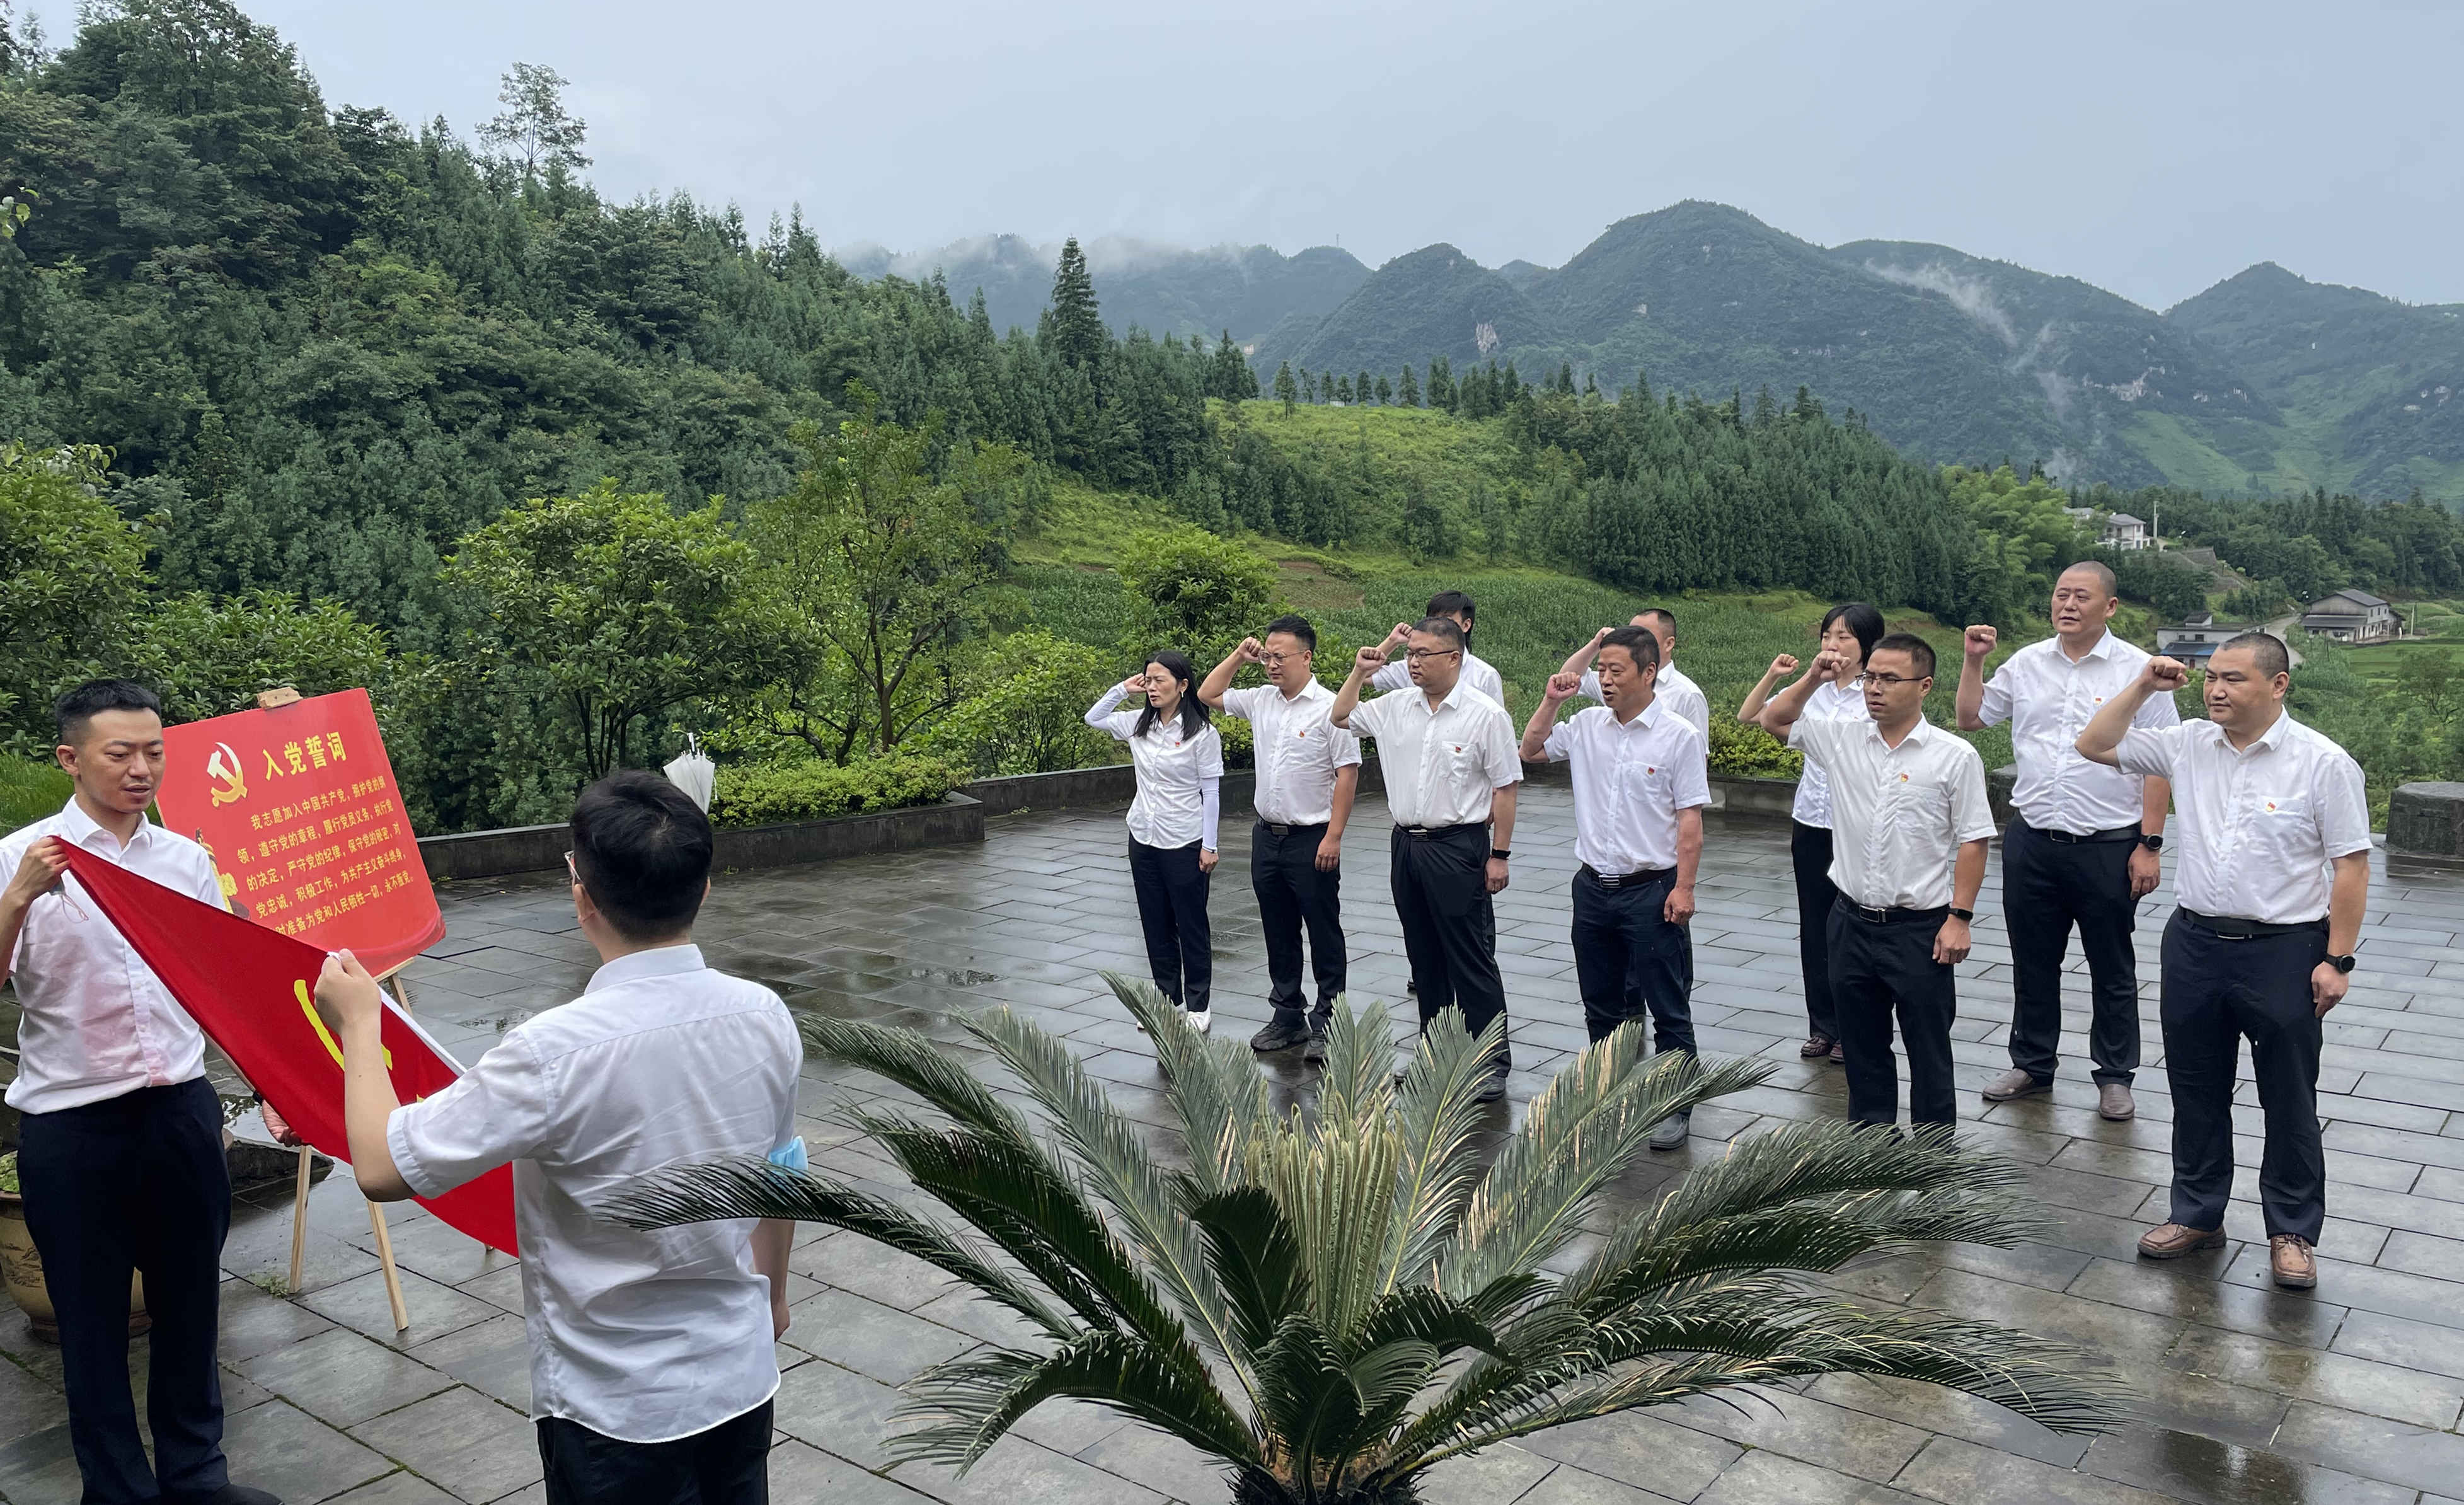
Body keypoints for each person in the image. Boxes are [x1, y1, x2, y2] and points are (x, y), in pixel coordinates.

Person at [318, 771, 802, 1504]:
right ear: (702, 890)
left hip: (612, 1407)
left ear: (583, 897)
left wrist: (360, 1023)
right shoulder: (764, 1015)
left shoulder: (551, 1053)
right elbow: (782, 1171)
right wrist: (773, 1299)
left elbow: (384, 1167)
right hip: (738, 1378)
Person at [0, 681, 280, 1505]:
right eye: (119, 753)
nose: (140, 769)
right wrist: (18, 897)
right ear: (70, 757)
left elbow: (221, 986)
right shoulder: (18, 856)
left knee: (191, 1308)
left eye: (153, 752)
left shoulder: (184, 862)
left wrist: (273, 1083)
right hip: (71, 1127)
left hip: (178, 1114)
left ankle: (197, 1477)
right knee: (89, 1326)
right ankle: (117, 1491)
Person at [2076, 634, 2369, 1291]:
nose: (2215, 690)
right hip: (2195, 944)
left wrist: (2338, 959)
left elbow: (2351, 865)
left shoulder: (2322, 762)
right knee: (2195, 1087)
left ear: (2278, 684)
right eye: (2211, 677)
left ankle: (2292, 1230)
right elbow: (2093, 743)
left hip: (2285, 949)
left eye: (2233, 679)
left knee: (2288, 1094)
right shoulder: (2187, 744)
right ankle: (2197, 1213)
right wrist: (2143, 685)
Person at [1956, 562, 2177, 1121]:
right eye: (2061, 595)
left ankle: (2115, 1075)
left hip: (2109, 844)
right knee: (2033, 961)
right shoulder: (2027, 663)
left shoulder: (2139, 671)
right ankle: (2032, 1063)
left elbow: (2160, 761)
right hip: (2033, 839)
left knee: (2111, 965)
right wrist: (1974, 660)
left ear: (2110, 607)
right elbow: (1971, 718)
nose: (2068, 605)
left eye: (2082, 596)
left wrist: (2150, 843)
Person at [1760, 635, 1993, 1131]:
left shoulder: (1954, 757)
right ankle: (1872, 1148)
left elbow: (1975, 840)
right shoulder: (1842, 739)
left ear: (1924, 685)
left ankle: (1933, 1155)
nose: (1874, 688)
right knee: (1863, 1048)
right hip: (1849, 922)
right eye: (1870, 677)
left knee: (1928, 1049)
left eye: (1889, 679)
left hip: (1920, 929)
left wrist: (1960, 918)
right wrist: (1813, 677)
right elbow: (1773, 719)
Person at [1521, 626, 1710, 1149]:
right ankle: (1610, 1095)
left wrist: (1685, 888)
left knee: (1667, 1004)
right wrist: (1551, 700)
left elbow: (1690, 822)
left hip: (1652, 889)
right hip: (1593, 889)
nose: (1604, 679)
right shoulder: (1586, 726)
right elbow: (1531, 750)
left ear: (1649, 673)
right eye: (1600, 670)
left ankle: (1674, 1103)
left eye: (1615, 670)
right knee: (1601, 1003)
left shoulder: (1678, 736)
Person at [1333, 616, 1522, 1102]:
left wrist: (1499, 855)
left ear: (1454, 658)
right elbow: (1340, 716)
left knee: (1469, 956)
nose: (1413, 662)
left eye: (1423, 654)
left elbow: (1505, 788)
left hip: (1459, 847)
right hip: (1407, 846)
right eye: (1410, 653)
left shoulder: (1485, 715)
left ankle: (1490, 1061)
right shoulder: (1395, 706)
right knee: (1424, 956)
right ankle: (1434, 1053)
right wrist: (1359, 671)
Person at [1200, 616, 1361, 1062]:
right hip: (1267, 837)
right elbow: (1208, 694)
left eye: (1280, 656)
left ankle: (1330, 1021)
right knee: (1278, 927)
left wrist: (1334, 836)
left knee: (1323, 929)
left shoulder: (1330, 708)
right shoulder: (1261, 700)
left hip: (1313, 837)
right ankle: (1288, 1014)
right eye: (1267, 656)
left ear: (1306, 657)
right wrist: (1239, 656)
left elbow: (1348, 774)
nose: (1271, 664)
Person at [1738, 603, 1884, 1063]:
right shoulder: (1813, 691)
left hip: (1857, 826)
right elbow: (1758, 718)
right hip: (1811, 823)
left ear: (1867, 645)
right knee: (1815, 926)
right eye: (1827, 636)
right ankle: (1823, 1025)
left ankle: (1854, 1029)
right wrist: (1805, 678)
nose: (1832, 645)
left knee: (1854, 928)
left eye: (1844, 637)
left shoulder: (1876, 693)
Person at [1086, 651, 1224, 1030]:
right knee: (1155, 923)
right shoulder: (1138, 724)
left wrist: (1210, 845)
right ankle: (1168, 1000)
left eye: (1160, 680)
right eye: (1148, 680)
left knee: (1191, 924)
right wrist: (1122, 689)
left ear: (1183, 685)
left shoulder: (1201, 734)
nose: (1152, 687)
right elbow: (1094, 718)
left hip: (1184, 840)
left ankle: (1199, 1005)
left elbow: (1212, 792)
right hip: (1143, 837)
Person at [1555, 608, 1712, 735]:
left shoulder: (1688, 695)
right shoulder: (1613, 681)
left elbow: (1697, 755)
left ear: (1669, 643)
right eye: (1632, 635)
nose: (1635, 642)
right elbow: (1566, 679)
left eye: (1645, 636)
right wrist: (1597, 644)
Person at [1369, 590, 1506, 708]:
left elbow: (1495, 722)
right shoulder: (1411, 667)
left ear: (1466, 625)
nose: (1437, 626)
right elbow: (1363, 674)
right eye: (1432, 620)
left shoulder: (1484, 676)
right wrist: (1392, 642)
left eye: (1447, 620)